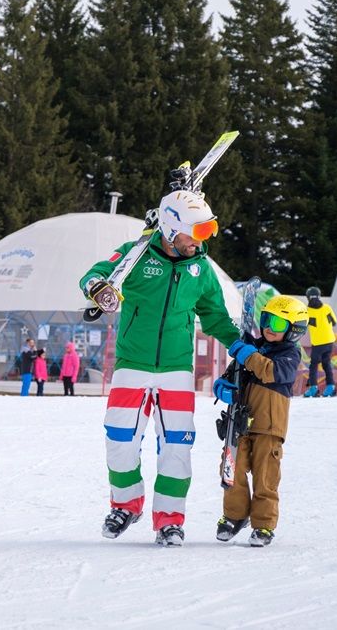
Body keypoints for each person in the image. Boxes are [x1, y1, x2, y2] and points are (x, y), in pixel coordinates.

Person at [80, 188, 239, 547]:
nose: (203, 240)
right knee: (119, 440)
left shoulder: (200, 269)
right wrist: (98, 287)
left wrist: (240, 345)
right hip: (132, 364)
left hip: (176, 369)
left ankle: (169, 520)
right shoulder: (135, 257)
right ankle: (126, 505)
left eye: (207, 231)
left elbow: (215, 317)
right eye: (196, 232)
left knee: (176, 446)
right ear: (169, 230)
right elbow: (96, 273)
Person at [212, 295, 307, 547]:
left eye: (277, 324)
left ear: (293, 330)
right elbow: (236, 371)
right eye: (266, 320)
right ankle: (235, 516)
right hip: (240, 421)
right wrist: (223, 384)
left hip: (268, 426)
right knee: (231, 468)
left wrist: (248, 354)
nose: (268, 327)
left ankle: (263, 525)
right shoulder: (254, 347)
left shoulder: (290, 354)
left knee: (265, 476)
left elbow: (272, 372)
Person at [303, 287, 337, 398]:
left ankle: (313, 388)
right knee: (326, 364)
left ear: (308, 297)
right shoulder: (327, 308)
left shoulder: (307, 311)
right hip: (329, 341)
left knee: (314, 365)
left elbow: (303, 324)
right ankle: (330, 388)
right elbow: (334, 322)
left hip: (317, 342)